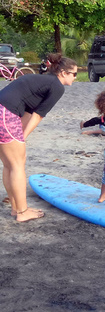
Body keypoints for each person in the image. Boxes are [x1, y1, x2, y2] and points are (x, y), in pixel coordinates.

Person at [0, 53, 77, 222]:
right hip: (5, 113)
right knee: (17, 164)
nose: (75, 77)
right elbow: (38, 116)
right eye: (74, 74)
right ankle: (22, 211)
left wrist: (21, 137)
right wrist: (22, 137)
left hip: (4, 111)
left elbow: (29, 112)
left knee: (10, 164)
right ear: (63, 73)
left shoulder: (41, 82)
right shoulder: (57, 86)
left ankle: (16, 208)